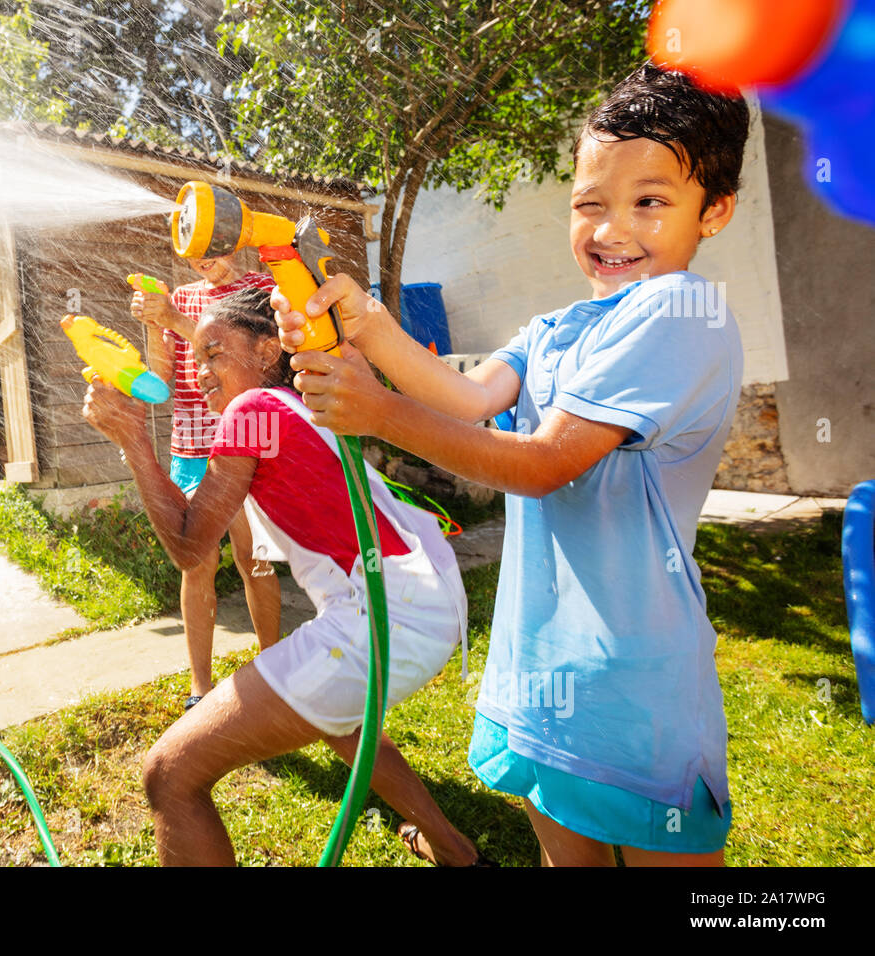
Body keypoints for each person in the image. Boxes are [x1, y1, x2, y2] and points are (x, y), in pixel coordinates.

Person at [273, 63, 750, 867]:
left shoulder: (681, 313)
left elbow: (542, 465)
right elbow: (467, 396)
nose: (611, 229)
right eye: (589, 204)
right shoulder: (558, 326)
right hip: (540, 668)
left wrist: (380, 412)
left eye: (650, 202)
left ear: (716, 211)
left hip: (635, 689)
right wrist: (367, 327)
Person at [86, 287, 482, 866]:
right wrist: (137, 448)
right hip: (422, 603)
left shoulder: (251, 413)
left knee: (168, 774)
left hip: (385, 619)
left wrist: (133, 441)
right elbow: (196, 528)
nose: (199, 374)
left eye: (214, 354)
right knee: (336, 721)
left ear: (269, 348)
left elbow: (190, 546)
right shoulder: (297, 409)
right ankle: (454, 851)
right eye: (194, 360)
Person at [129, 253, 281, 709]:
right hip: (191, 449)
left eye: (211, 253)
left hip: (245, 443)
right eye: (194, 258)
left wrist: (173, 317)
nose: (203, 264)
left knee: (252, 557)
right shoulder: (183, 298)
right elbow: (160, 380)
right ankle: (200, 686)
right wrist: (155, 323)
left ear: (233, 241)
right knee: (197, 564)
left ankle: (274, 671)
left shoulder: (258, 289)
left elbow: (235, 352)